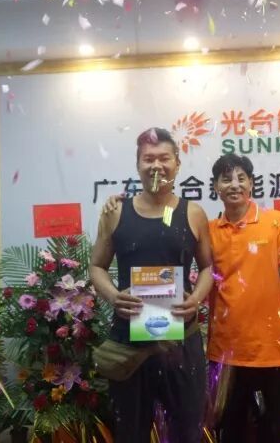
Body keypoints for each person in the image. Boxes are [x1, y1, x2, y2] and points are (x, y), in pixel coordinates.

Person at [90, 127, 214, 443]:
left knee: (187, 431)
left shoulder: (194, 213)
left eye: (164, 158)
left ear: (177, 164)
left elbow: (207, 268)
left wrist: (196, 299)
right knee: (130, 433)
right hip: (128, 341)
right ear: (138, 165)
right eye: (148, 159)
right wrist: (114, 296)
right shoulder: (116, 212)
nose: (156, 165)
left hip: (181, 340)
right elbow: (96, 266)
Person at [207, 153, 280, 443]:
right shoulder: (208, 231)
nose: (234, 184)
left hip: (269, 349)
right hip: (225, 352)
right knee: (229, 433)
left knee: (271, 432)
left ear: (252, 184)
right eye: (226, 179)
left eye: (241, 178)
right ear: (216, 187)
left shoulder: (275, 222)